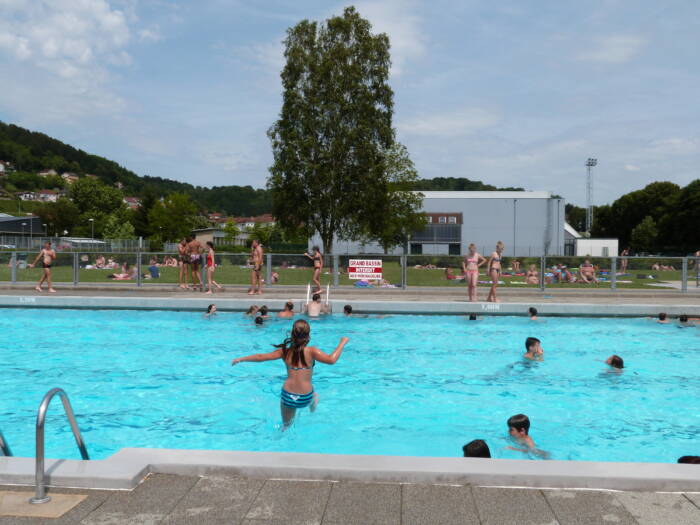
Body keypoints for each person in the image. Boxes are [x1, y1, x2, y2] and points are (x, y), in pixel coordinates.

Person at [231, 319, 349, 428]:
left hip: (288, 396)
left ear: (292, 334)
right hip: (305, 397)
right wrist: (342, 342)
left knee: (286, 426)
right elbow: (331, 360)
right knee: (313, 394)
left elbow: (261, 357)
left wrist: (241, 359)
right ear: (308, 335)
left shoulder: (285, 352)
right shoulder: (312, 351)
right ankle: (313, 404)